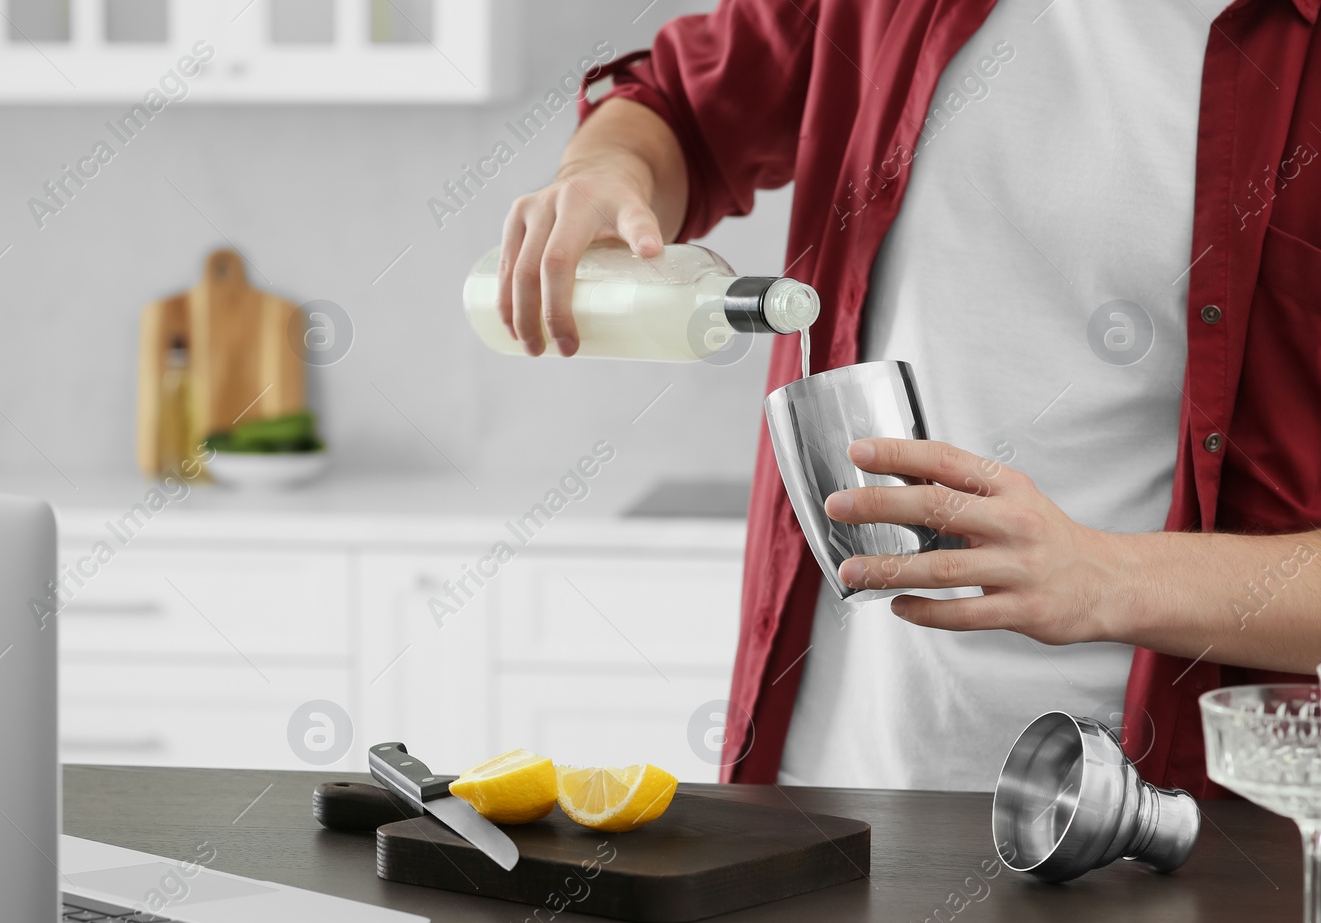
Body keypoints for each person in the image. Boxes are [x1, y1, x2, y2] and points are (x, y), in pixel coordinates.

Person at [495, 0, 1321, 794]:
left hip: (1150, 820)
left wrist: (1106, 577)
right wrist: (608, 168)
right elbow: (679, 106)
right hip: (830, 781)